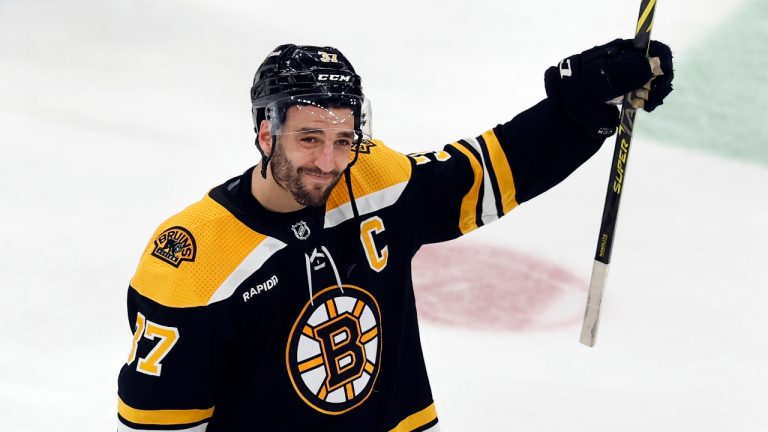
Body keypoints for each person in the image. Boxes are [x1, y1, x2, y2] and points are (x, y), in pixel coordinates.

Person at [116, 40, 673, 431]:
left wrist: (583, 107)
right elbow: (159, 425)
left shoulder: (374, 178)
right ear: (265, 132)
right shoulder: (193, 260)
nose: (329, 162)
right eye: (309, 139)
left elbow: (488, 172)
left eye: (344, 139)